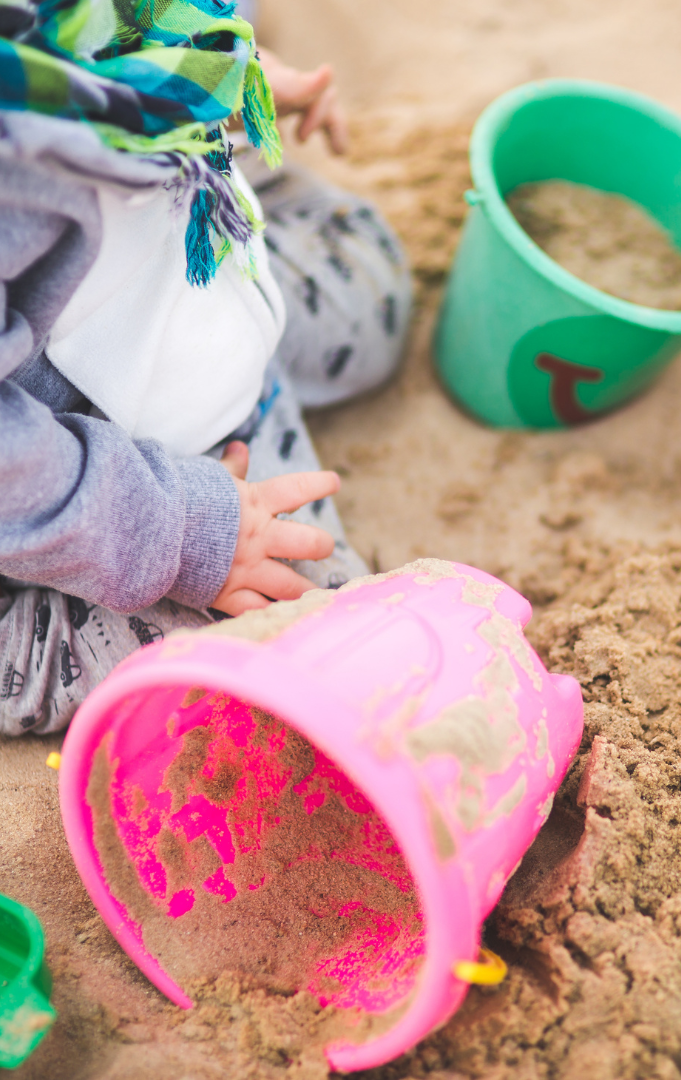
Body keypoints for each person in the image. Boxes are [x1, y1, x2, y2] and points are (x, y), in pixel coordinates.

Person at [0, 0, 411, 735]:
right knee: (309, 640)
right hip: (88, 473)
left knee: (373, 298)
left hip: (183, 281)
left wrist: (221, 67)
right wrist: (185, 532)